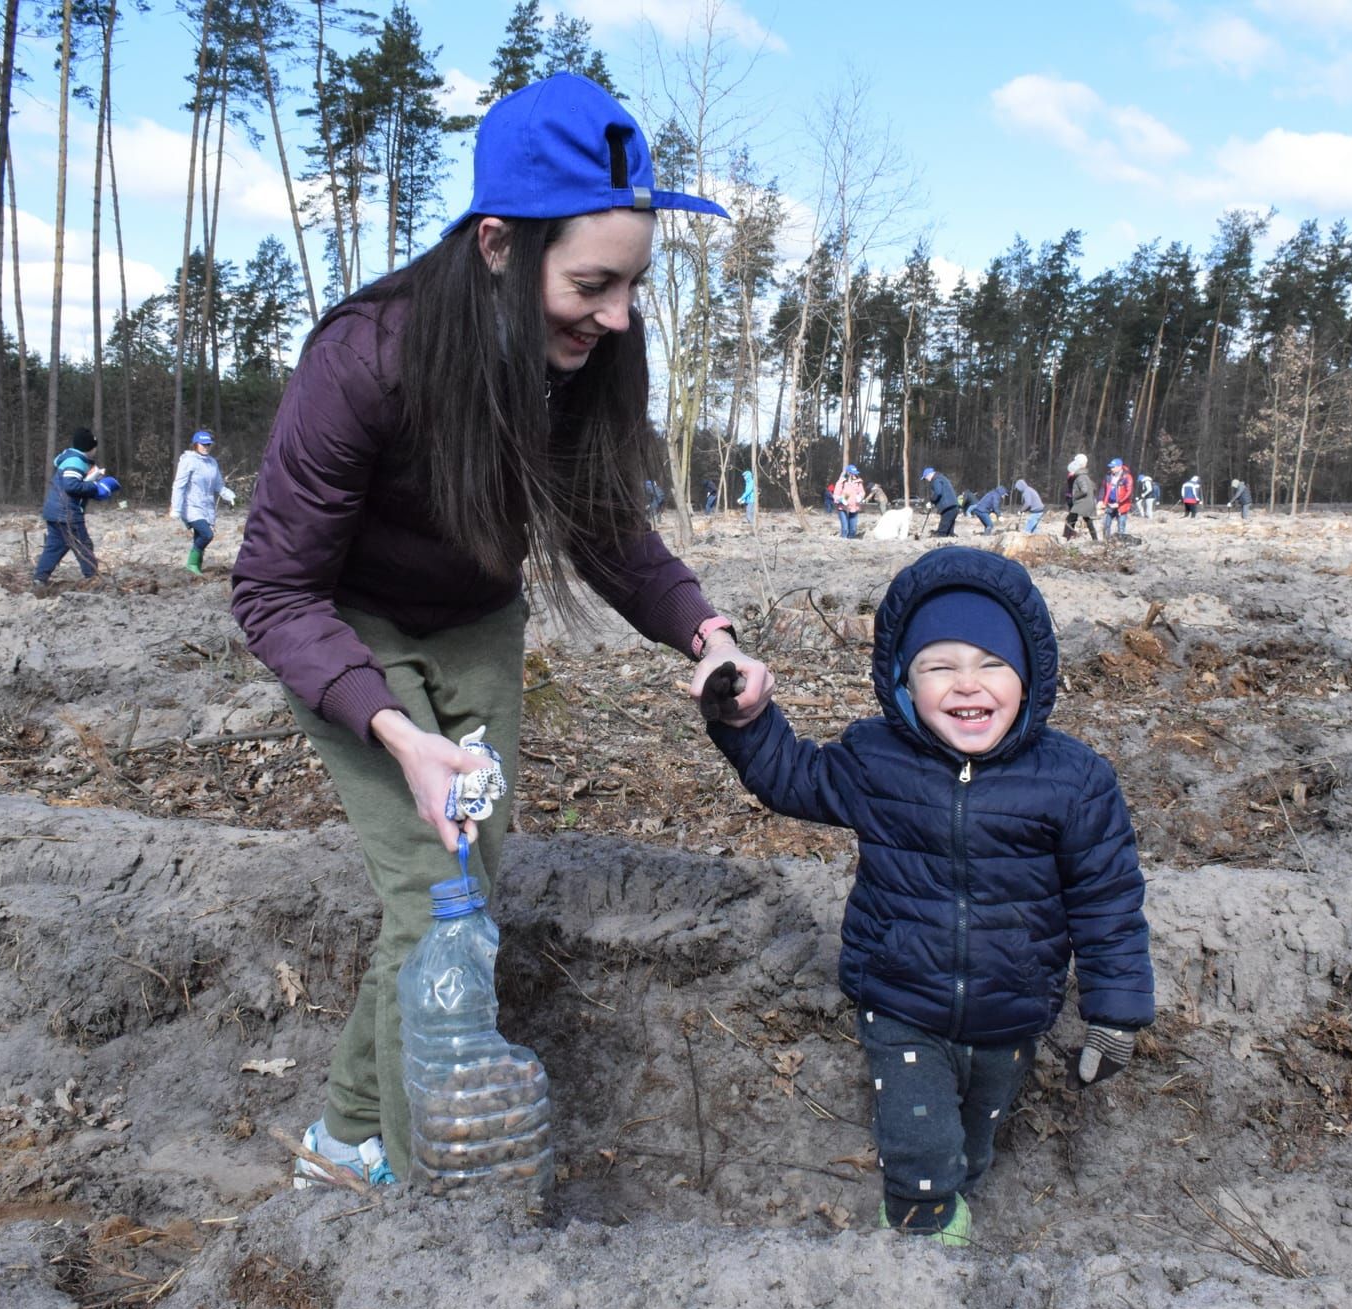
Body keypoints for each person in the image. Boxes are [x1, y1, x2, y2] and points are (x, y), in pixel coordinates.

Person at [228, 72, 775, 1191]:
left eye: (630, 286)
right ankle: (418, 1186)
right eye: (591, 284)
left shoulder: (581, 358)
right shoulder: (366, 358)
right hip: (346, 626)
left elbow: (606, 534)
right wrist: (395, 730)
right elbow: (274, 589)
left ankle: (343, 1133)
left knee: (465, 892)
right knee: (431, 896)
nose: (617, 316)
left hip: (475, 627)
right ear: (496, 245)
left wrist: (704, 634)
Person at [703, 547, 1154, 1245]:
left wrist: (1115, 1010)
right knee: (919, 1149)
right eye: (940, 666)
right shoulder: (876, 759)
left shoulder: (1074, 781)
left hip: (1012, 1008)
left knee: (977, 1139)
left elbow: (1108, 899)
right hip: (902, 998)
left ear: (1030, 676)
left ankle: (961, 1186)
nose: (967, 685)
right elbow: (793, 778)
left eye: (992, 665)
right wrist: (748, 722)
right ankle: (922, 1240)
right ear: (904, 681)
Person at [35, 427, 117, 584]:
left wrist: (92, 486)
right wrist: (95, 487)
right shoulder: (76, 462)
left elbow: (76, 485)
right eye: (95, 446)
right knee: (83, 545)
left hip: (54, 511)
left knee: (54, 547)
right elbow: (71, 486)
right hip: (68, 513)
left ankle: (39, 579)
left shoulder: (70, 459)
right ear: (89, 448)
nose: (96, 450)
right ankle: (92, 578)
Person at [170, 430, 234, 572]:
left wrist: (230, 495)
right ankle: (191, 564)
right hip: (191, 507)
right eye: (203, 444)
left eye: (208, 444)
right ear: (195, 445)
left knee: (199, 537)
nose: (206, 447)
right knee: (207, 535)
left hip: (207, 507)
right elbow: (179, 485)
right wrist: (176, 508)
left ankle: (195, 569)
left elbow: (218, 485)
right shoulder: (188, 461)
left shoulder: (212, 463)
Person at [1061, 454, 1096, 541]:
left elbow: (1084, 490)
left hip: (1080, 501)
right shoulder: (1081, 475)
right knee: (1085, 520)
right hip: (1081, 501)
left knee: (1071, 519)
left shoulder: (1079, 476)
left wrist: (1074, 496)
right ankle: (1095, 539)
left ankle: (1067, 538)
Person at [1100, 458, 1134, 539]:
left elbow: (1129, 492)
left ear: (1119, 467)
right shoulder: (1108, 476)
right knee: (1106, 525)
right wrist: (1100, 500)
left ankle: (1120, 544)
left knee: (1121, 526)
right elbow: (1102, 488)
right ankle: (1106, 542)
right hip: (1109, 504)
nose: (1111, 469)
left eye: (1113, 467)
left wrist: (1119, 503)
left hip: (1122, 506)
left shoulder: (1127, 477)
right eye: (1110, 467)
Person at [920, 466, 959, 537]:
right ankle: (951, 536)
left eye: (925, 477)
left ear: (929, 475)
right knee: (949, 532)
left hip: (948, 507)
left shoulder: (936, 479)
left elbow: (938, 492)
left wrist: (932, 500)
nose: (926, 479)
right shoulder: (942, 478)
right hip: (953, 506)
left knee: (941, 533)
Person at [835, 464, 866, 539]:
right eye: (852, 473)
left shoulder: (858, 482)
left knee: (853, 529)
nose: (854, 474)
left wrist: (860, 497)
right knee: (845, 528)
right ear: (848, 473)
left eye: (855, 473)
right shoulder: (841, 482)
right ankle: (843, 540)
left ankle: (851, 540)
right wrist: (841, 499)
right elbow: (835, 494)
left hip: (854, 507)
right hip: (842, 507)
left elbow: (862, 492)